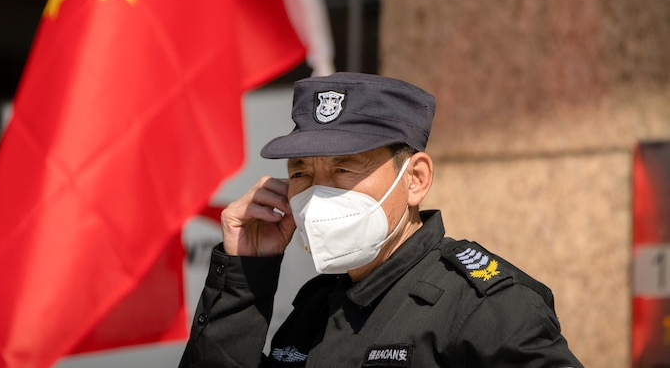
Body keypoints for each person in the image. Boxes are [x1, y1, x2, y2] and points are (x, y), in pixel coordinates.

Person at [179, 72, 583, 367]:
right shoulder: (315, 307)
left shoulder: (484, 308)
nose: (318, 193)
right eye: (301, 173)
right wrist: (244, 279)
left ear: (415, 179)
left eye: (344, 169)